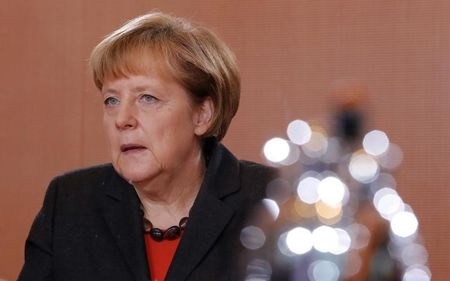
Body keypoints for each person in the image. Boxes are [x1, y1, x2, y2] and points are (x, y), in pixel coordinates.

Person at [18, 12, 276, 281]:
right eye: (111, 100)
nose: (122, 119)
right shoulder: (70, 203)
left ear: (202, 115)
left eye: (147, 98)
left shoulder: (271, 200)